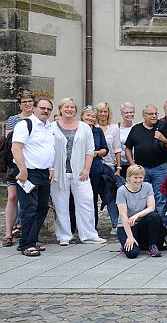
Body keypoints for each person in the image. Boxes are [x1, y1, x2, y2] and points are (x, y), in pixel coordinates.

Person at [51, 99, 106, 246]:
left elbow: (89, 150)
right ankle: (64, 236)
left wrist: (87, 168)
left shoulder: (84, 127)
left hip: (81, 172)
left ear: (76, 111)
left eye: (72, 107)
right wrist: (51, 169)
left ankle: (88, 235)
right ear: (60, 109)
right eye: (66, 107)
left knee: (87, 201)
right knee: (61, 204)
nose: (69, 109)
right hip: (59, 173)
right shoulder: (52, 127)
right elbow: (48, 150)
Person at [10, 98, 55, 256]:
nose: (46, 111)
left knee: (42, 207)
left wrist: (51, 168)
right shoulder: (25, 124)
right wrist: (22, 171)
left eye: (49, 109)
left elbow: (48, 149)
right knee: (29, 208)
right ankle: (26, 244)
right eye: (42, 108)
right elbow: (16, 148)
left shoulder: (48, 127)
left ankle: (32, 240)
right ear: (34, 108)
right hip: (28, 171)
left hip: (43, 172)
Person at [124, 104, 167, 225]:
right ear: (144, 115)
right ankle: (141, 226)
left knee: (160, 198)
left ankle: (160, 227)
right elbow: (128, 148)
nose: (154, 116)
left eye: (156, 113)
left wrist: (163, 139)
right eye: (151, 114)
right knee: (141, 197)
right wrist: (132, 165)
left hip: (159, 168)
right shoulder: (136, 129)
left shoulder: (163, 127)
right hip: (141, 170)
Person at [3, 90, 34, 247]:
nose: (28, 104)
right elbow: (10, 142)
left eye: (30, 101)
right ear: (20, 104)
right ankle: (8, 232)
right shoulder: (13, 120)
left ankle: (24, 229)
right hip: (15, 164)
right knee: (13, 197)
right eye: (24, 101)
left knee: (30, 199)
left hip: (34, 165)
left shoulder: (38, 119)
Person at [116, 164, 162, 258]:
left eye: (141, 177)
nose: (138, 180)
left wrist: (137, 215)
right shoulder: (121, 191)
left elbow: (151, 207)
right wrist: (129, 236)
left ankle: (152, 245)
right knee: (132, 253)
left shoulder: (147, 186)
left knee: (154, 216)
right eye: (135, 177)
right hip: (127, 224)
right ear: (129, 177)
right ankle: (126, 242)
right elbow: (123, 215)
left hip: (140, 222)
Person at [82, 106, 112, 232]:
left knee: (92, 197)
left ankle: (92, 226)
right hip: (80, 167)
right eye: (88, 115)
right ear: (82, 116)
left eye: (93, 116)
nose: (91, 118)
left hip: (95, 168)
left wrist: (96, 153)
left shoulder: (98, 131)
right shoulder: (77, 129)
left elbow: (105, 149)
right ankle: (75, 225)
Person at [95, 101, 122, 233]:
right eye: (100, 111)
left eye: (105, 111)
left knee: (110, 196)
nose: (103, 114)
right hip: (95, 167)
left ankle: (115, 223)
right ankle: (91, 225)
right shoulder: (91, 127)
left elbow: (117, 149)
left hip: (110, 166)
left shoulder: (114, 128)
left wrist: (118, 167)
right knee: (93, 196)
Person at [117, 102, 135, 179]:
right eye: (126, 113)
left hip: (134, 164)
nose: (129, 114)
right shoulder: (117, 128)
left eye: (131, 112)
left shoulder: (136, 128)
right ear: (122, 114)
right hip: (121, 165)